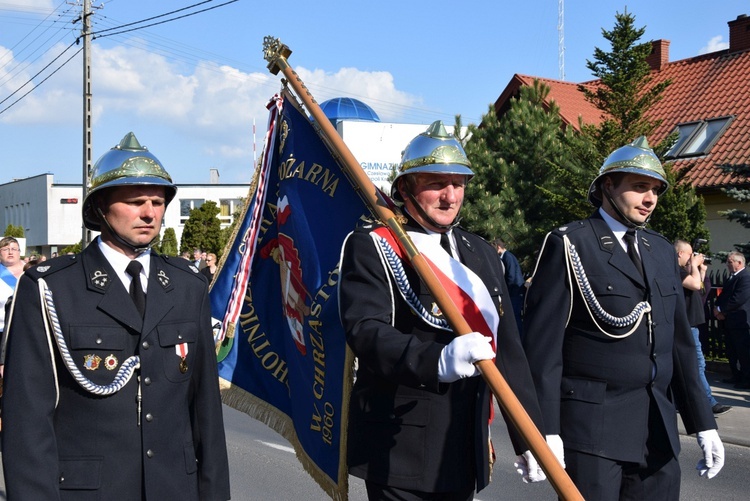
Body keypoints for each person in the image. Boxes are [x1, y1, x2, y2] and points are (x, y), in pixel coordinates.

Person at [1, 132, 230, 500]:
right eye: (136, 201)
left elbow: (206, 413)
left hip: (175, 488)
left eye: (158, 202)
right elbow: (27, 420)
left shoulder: (188, 286)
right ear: (101, 208)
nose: (149, 213)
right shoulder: (51, 288)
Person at [339, 121, 545, 500]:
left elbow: (509, 350)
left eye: (459, 183)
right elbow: (367, 332)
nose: (450, 196)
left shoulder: (480, 252)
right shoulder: (374, 245)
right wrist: (436, 359)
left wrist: (531, 436)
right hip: (399, 447)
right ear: (405, 187)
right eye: (436, 183)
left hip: (464, 444)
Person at [523, 137, 724, 500]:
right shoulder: (571, 244)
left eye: (655, 190)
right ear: (607, 186)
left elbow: (678, 345)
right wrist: (544, 429)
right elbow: (543, 351)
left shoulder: (660, 250)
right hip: (591, 430)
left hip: (657, 431)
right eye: (639, 187)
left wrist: (703, 423)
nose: (650, 199)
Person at [675, 240, 732, 414]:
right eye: (689, 253)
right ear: (680, 254)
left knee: (693, 365)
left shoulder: (687, 271)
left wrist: (703, 271)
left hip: (692, 325)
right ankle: (708, 402)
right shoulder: (676, 271)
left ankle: (691, 401)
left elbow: (701, 292)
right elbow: (693, 284)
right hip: (685, 325)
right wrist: (693, 265)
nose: (692, 257)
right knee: (696, 364)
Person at [713, 251, 750, 389]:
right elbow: (724, 296)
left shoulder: (745, 277)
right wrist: (717, 308)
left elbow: (739, 298)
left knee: (743, 352)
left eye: (730, 262)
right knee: (732, 350)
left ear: (739, 263)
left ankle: (746, 379)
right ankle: (736, 375)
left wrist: (722, 310)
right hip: (729, 321)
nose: (727, 265)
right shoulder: (732, 277)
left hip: (739, 322)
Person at [492, 238, 525, 337]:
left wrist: (505, 290)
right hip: (514, 290)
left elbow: (511, 276)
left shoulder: (507, 257)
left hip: (515, 291)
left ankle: (518, 336)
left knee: (515, 316)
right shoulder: (507, 256)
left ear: (498, 247)